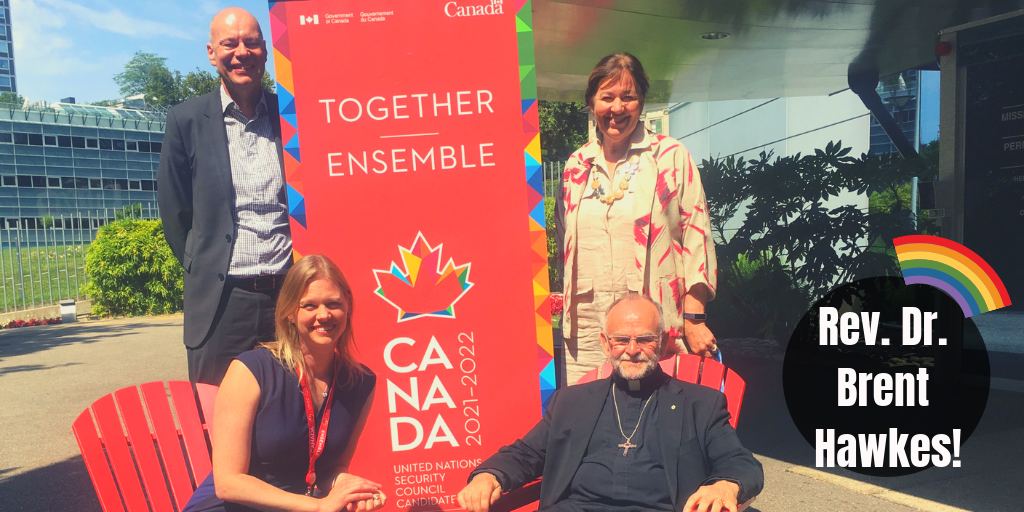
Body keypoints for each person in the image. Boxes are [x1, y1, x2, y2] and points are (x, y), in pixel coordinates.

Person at [457, 294, 762, 512]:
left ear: (662, 342)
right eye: (621, 340)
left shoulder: (700, 404)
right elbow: (526, 453)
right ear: (605, 343)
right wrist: (489, 475)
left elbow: (741, 463)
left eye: (645, 339)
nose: (632, 349)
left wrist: (725, 485)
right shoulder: (571, 402)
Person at [555, 53, 718, 385]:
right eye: (607, 97)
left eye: (627, 97)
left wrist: (694, 318)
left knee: (654, 412)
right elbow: (563, 243)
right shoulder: (576, 166)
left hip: (651, 328)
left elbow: (696, 237)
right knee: (587, 410)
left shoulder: (670, 157)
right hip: (586, 331)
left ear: (641, 101)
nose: (617, 108)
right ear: (591, 103)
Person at [184, 254, 386, 512]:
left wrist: (351, 487)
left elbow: (331, 468)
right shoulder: (251, 370)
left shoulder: (361, 382)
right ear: (290, 312)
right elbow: (228, 483)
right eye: (309, 305)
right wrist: (319, 507)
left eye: (333, 303)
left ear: (348, 307)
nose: (323, 315)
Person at [158, 7, 292, 385]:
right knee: (216, 408)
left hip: (289, 296)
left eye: (251, 43)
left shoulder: (291, 115)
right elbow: (175, 210)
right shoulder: (186, 120)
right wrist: (202, 262)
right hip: (221, 300)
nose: (241, 53)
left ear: (265, 50)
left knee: (291, 409)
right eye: (229, 43)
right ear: (211, 52)